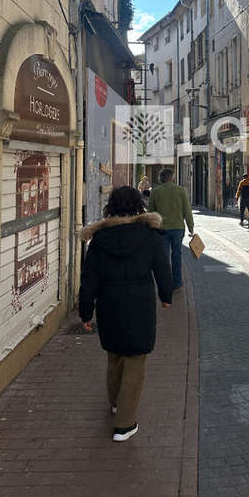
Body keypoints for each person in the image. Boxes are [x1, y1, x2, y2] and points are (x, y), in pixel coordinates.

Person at [78, 186, 172, 442]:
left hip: (109, 303)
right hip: (139, 304)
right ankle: (124, 425)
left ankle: (117, 404)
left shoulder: (100, 240)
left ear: (111, 207)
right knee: (135, 361)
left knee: (115, 356)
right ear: (138, 206)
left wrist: (85, 311)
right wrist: (166, 297)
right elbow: (162, 268)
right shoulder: (149, 235)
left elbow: (89, 279)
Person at [148, 167, 194, 290]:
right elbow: (187, 211)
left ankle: (165, 282)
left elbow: (151, 213)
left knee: (164, 258)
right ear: (172, 177)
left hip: (161, 229)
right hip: (178, 228)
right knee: (177, 255)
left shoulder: (155, 192)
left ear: (161, 178)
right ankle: (177, 282)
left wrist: (150, 229)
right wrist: (191, 227)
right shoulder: (181, 190)